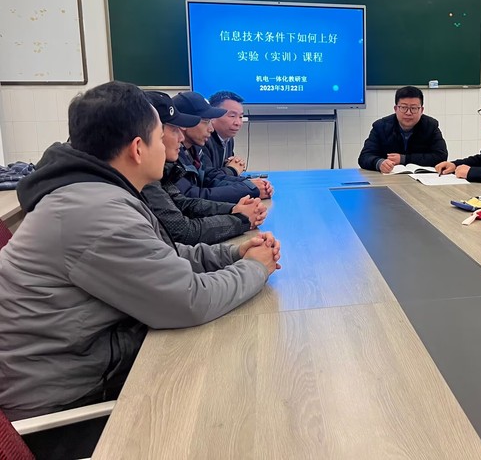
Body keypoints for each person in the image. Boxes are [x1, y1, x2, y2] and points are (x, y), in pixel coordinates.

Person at [0, 82, 281, 433]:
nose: (171, 142)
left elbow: (162, 254)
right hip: (65, 409)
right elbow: (190, 300)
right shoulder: (94, 212)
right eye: (161, 135)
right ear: (137, 149)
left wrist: (233, 251)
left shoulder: (98, 193)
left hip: (93, 365)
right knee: (238, 395)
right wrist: (255, 268)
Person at [141, 91, 266, 245]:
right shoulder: (145, 180)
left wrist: (233, 209)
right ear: (138, 144)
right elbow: (183, 231)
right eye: (173, 130)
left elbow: (184, 202)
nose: (180, 138)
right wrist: (240, 219)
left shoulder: (175, 161)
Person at [172, 91, 273, 202]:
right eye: (206, 121)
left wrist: (247, 185)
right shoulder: (176, 153)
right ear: (183, 123)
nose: (211, 129)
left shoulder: (193, 148)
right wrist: (245, 188)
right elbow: (191, 196)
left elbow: (209, 179)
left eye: (241, 117)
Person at [358, 85, 448, 173]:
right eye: (404, 107)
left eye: (413, 108)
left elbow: (441, 156)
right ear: (395, 109)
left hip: (421, 178)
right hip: (389, 178)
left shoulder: (431, 126)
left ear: (421, 110)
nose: (408, 113)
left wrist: (404, 159)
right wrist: (379, 163)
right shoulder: (380, 126)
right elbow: (364, 157)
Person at [207, 90, 247, 176]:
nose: (238, 123)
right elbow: (207, 179)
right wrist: (232, 170)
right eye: (232, 116)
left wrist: (235, 164)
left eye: (241, 117)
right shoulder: (203, 139)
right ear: (213, 116)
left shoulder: (228, 138)